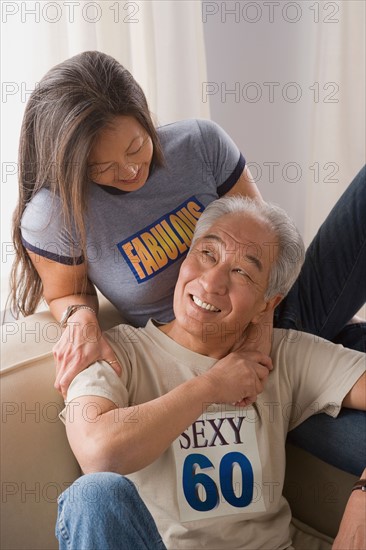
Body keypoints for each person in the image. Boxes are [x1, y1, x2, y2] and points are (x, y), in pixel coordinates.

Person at [10, 50, 365, 474]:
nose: (128, 171)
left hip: (276, 311)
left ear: (144, 115)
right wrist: (81, 320)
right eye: (101, 168)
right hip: (208, 354)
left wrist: (258, 337)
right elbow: (67, 290)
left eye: (136, 147)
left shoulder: (199, 143)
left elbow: (265, 240)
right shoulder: (55, 214)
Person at [58, 196, 365, 550]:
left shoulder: (284, 355)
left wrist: (362, 497)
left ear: (268, 304)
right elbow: (99, 455)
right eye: (207, 254)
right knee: (94, 495)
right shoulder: (116, 354)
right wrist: (211, 386)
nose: (212, 282)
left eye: (242, 272)